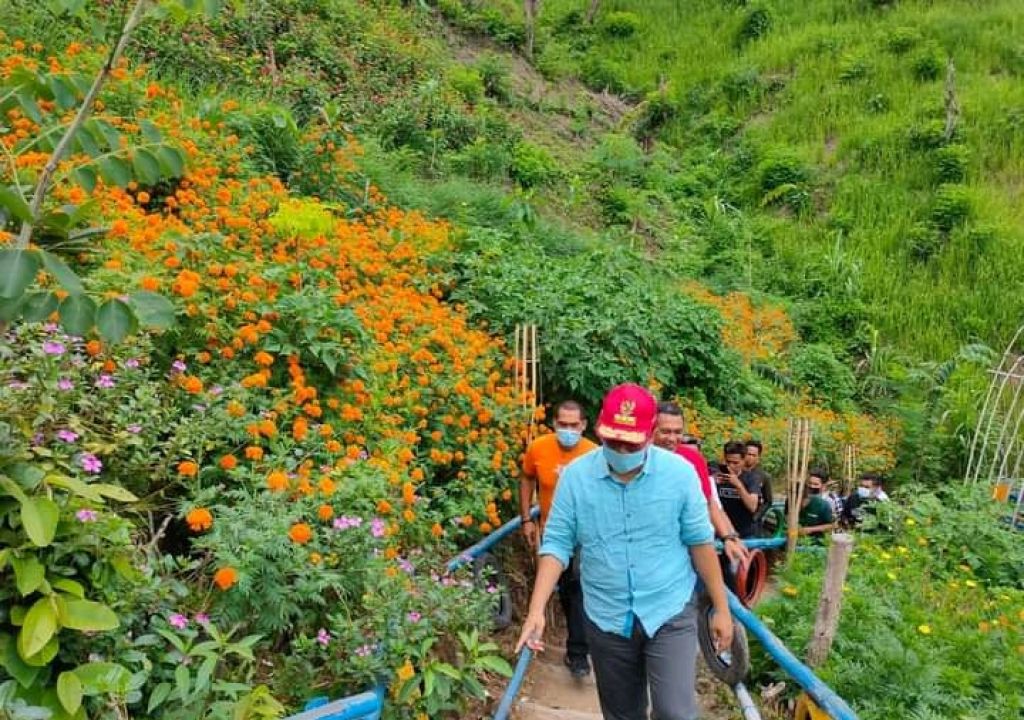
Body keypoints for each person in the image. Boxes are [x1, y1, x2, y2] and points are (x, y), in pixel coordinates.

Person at [516, 384, 732, 720]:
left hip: (669, 608)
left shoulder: (679, 475)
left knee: (675, 712)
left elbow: (700, 542)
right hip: (606, 613)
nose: (619, 448)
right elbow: (557, 543)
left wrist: (721, 608)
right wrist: (536, 610)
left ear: (649, 435)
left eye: (629, 442)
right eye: (611, 440)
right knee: (622, 714)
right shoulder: (576, 478)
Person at [520, 400, 597, 677]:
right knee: (565, 589)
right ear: (554, 423)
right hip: (552, 533)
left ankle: (578, 655)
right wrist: (526, 518)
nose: (567, 430)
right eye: (562, 424)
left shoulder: (593, 454)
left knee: (578, 589)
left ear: (583, 425)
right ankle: (577, 647)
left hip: (585, 534)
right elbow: (527, 478)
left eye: (573, 425)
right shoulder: (538, 448)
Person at [652, 401, 749, 564]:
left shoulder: (693, 459)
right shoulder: (637, 459)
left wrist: (729, 537)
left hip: (689, 550)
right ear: (650, 430)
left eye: (677, 432)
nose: (672, 438)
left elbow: (709, 503)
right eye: (665, 432)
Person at [716, 440, 766, 538]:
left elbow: (752, 506)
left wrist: (738, 485)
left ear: (743, 461)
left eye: (735, 463)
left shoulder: (752, 478)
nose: (731, 466)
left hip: (746, 532)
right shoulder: (717, 475)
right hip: (723, 532)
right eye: (728, 462)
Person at [789, 471, 835, 538]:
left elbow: (831, 525)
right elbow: (788, 521)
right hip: (795, 537)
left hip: (816, 542)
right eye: (810, 483)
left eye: (816, 484)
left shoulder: (824, 504)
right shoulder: (790, 501)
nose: (812, 486)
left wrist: (810, 529)